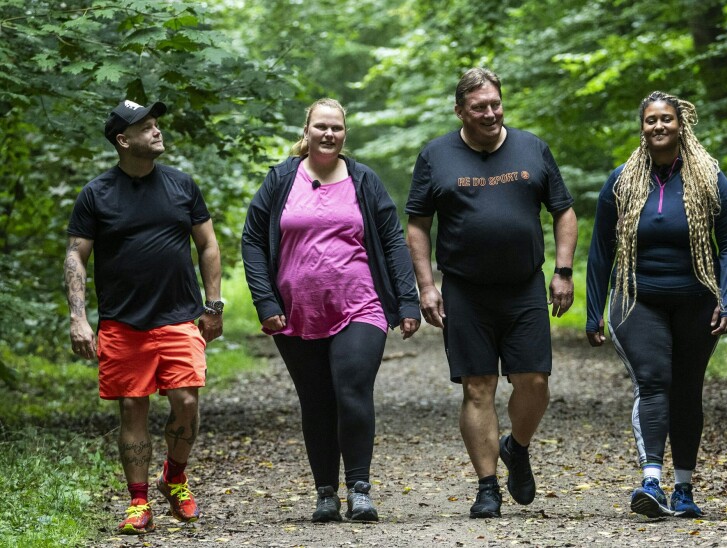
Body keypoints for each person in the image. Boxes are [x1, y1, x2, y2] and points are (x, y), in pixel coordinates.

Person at [405, 68, 578, 518]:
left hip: (523, 287)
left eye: (495, 104)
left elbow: (564, 212)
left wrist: (563, 271)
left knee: (534, 382)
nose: (490, 113)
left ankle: (516, 448)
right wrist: (427, 286)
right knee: (477, 387)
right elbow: (418, 224)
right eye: (479, 107)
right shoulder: (436, 155)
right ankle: (487, 487)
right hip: (465, 290)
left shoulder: (532, 148)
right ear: (460, 109)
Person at [241, 98, 420, 524]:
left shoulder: (364, 180)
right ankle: (326, 493)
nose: (328, 134)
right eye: (321, 126)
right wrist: (265, 302)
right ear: (307, 130)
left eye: (336, 128)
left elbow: (393, 240)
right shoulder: (281, 179)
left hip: (360, 304)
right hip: (296, 312)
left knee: (351, 390)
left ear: (345, 133)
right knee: (316, 402)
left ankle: (359, 489)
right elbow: (251, 240)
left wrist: (407, 299)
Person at [65, 100, 223, 534]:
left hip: (179, 315)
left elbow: (208, 245)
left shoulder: (181, 186)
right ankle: (138, 503)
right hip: (122, 322)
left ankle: (175, 477)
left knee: (187, 401)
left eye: (156, 124)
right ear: (123, 140)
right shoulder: (97, 193)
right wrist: (78, 317)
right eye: (147, 127)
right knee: (132, 408)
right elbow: (77, 255)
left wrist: (214, 305)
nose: (157, 132)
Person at [584, 91, 727, 519]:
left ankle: (684, 488)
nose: (658, 126)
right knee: (654, 382)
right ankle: (651, 481)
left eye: (666, 119)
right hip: (638, 300)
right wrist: (593, 310)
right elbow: (601, 250)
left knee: (687, 389)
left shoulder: (708, 177)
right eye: (651, 120)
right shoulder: (622, 180)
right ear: (642, 127)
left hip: (696, 301)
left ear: (680, 125)